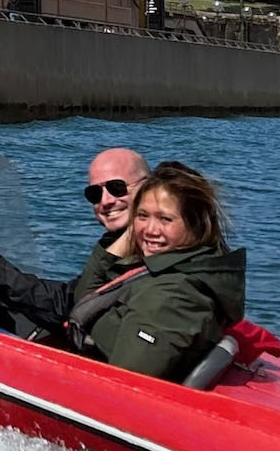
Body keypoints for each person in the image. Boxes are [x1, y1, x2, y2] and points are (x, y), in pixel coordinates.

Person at [0, 146, 151, 343]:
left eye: (117, 188)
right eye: (94, 194)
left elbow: (65, 307)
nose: (105, 201)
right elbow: (70, 298)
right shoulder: (120, 248)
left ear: (148, 188)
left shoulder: (149, 255)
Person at [74, 162, 246, 383]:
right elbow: (86, 298)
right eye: (143, 215)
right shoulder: (178, 268)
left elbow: (127, 384)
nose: (151, 230)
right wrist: (134, 234)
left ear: (195, 224)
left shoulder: (171, 296)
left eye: (165, 219)